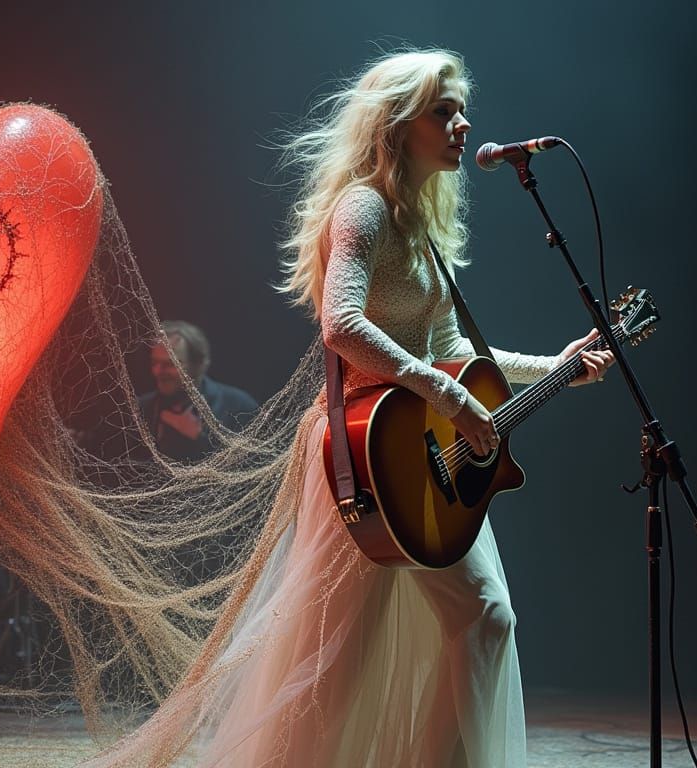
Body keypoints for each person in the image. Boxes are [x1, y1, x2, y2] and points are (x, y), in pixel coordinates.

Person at [89, 49, 614, 768]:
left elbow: (452, 347)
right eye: (443, 111)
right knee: (340, 655)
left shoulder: (424, 226)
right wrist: (449, 395)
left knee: (486, 618)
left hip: (420, 450)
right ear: (397, 124)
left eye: (463, 110)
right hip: (365, 453)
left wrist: (554, 367)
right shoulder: (364, 207)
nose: (463, 125)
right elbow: (341, 325)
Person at [138, 320, 258, 462]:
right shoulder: (142, 408)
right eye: (154, 363)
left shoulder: (239, 406)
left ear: (199, 365)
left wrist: (199, 438)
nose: (158, 371)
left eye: (170, 364)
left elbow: (252, 466)